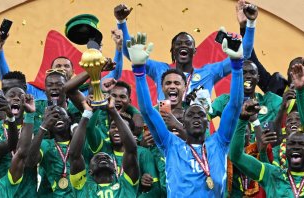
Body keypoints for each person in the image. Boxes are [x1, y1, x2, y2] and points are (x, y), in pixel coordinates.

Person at [131, 32, 244, 197]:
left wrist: (237, 65)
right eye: (191, 115)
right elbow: (147, 110)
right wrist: (139, 71)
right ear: (183, 121)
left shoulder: (219, 142)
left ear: (208, 123)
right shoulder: (170, 144)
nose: (197, 117)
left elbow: (235, 105)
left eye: (201, 115)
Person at [114, 2, 257, 100]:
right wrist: (121, 22)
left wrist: (249, 24)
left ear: (194, 51)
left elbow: (243, 55)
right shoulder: (160, 70)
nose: (183, 45)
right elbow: (131, 54)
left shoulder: (208, 73)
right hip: (166, 138)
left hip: (197, 139)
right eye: (178, 44)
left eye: (188, 43)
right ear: (173, 51)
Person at [0, 28, 123, 100]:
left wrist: (119, 47)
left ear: (73, 72)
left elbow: (115, 75)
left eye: (66, 66)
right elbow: (8, 81)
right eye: (58, 66)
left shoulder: (86, 89)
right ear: (50, 71)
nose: (62, 69)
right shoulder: (36, 90)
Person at [229, 99, 304, 197]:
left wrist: (301, 91)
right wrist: (242, 119)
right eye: (291, 144)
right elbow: (236, 156)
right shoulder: (270, 174)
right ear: (285, 149)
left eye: (302, 144)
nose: (296, 147)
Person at [69, 97, 140, 197]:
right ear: (89, 171)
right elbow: (74, 155)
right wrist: (86, 114)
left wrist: (113, 111)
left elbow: (131, 150)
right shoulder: (82, 186)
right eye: (96, 158)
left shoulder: (126, 185)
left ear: (115, 169)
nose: (103, 157)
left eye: (107, 157)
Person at [210, 60, 282, 140]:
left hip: (262, 151)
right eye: (243, 73)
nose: (248, 76)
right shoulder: (224, 101)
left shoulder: (270, 100)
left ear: (258, 78)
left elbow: (295, 115)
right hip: (233, 152)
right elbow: (201, 116)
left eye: (252, 73)